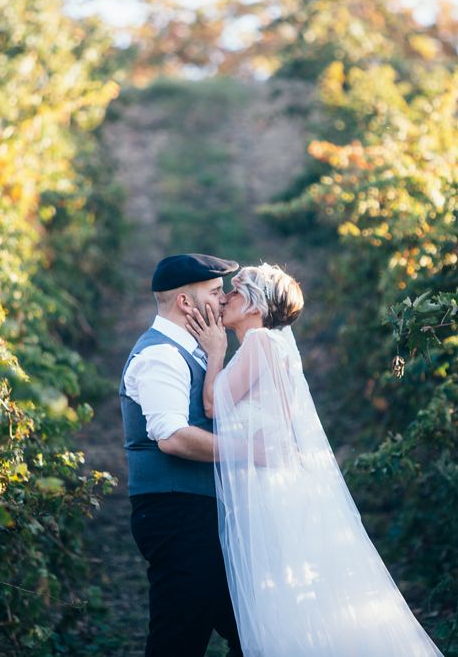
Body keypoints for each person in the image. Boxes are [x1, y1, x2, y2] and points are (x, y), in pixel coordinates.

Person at [185, 262, 444, 657]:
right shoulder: (274, 348)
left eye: (234, 293)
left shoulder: (259, 344)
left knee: (277, 596)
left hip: (268, 490)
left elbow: (212, 404)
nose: (225, 298)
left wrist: (215, 351)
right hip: (279, 483)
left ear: (255, 305)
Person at [120, 252, 243, 657]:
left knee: (248, 628)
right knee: (178, 639)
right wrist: (248, 453)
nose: (224, 299)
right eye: (215, 291)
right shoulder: (161, 355)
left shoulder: (189, 351)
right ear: (185, 303)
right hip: (176, 516)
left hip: (197, 514)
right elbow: (171, 437)